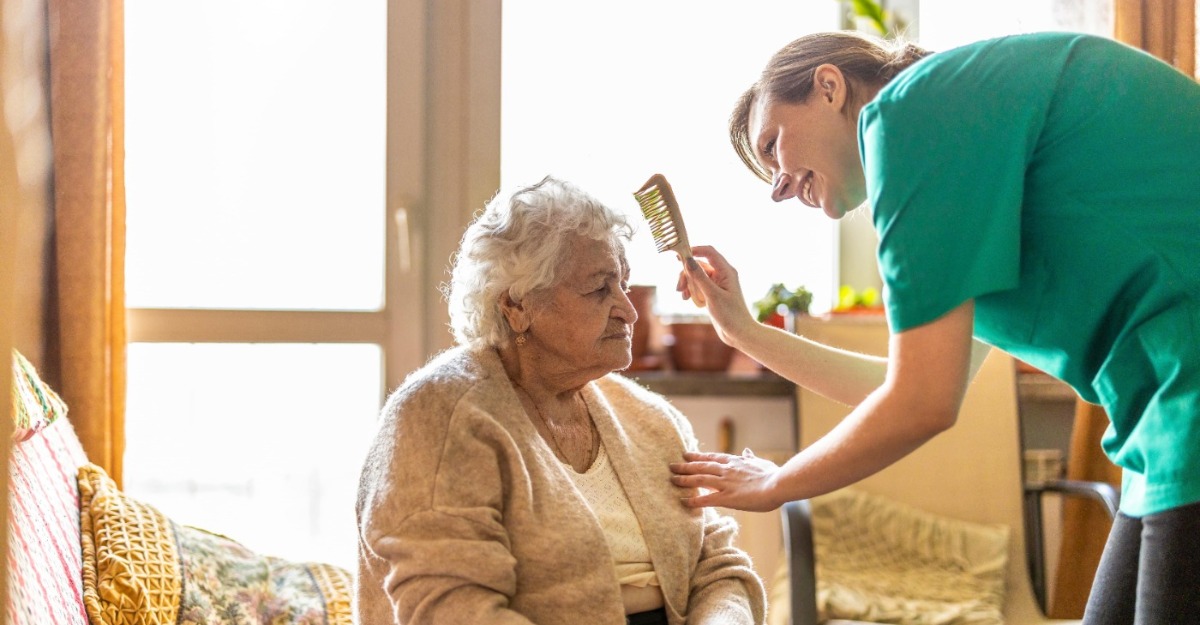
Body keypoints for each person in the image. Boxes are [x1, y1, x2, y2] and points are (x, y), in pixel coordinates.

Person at [667, 30, 1200, 624]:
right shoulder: (961, 150)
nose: (779, 188)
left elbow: (922, 402)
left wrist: (777, 484)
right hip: (1163, 426)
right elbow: (909, 384)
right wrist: (744, 333)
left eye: (774, 145)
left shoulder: (915, 116)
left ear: (828, 87)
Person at [355, 176, 766, 625]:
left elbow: (717, 567)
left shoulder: (650, 420)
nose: (628, 310)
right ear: (517, 306)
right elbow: (453, 609)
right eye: (599, 289)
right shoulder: (440, 414)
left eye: (625, 285)